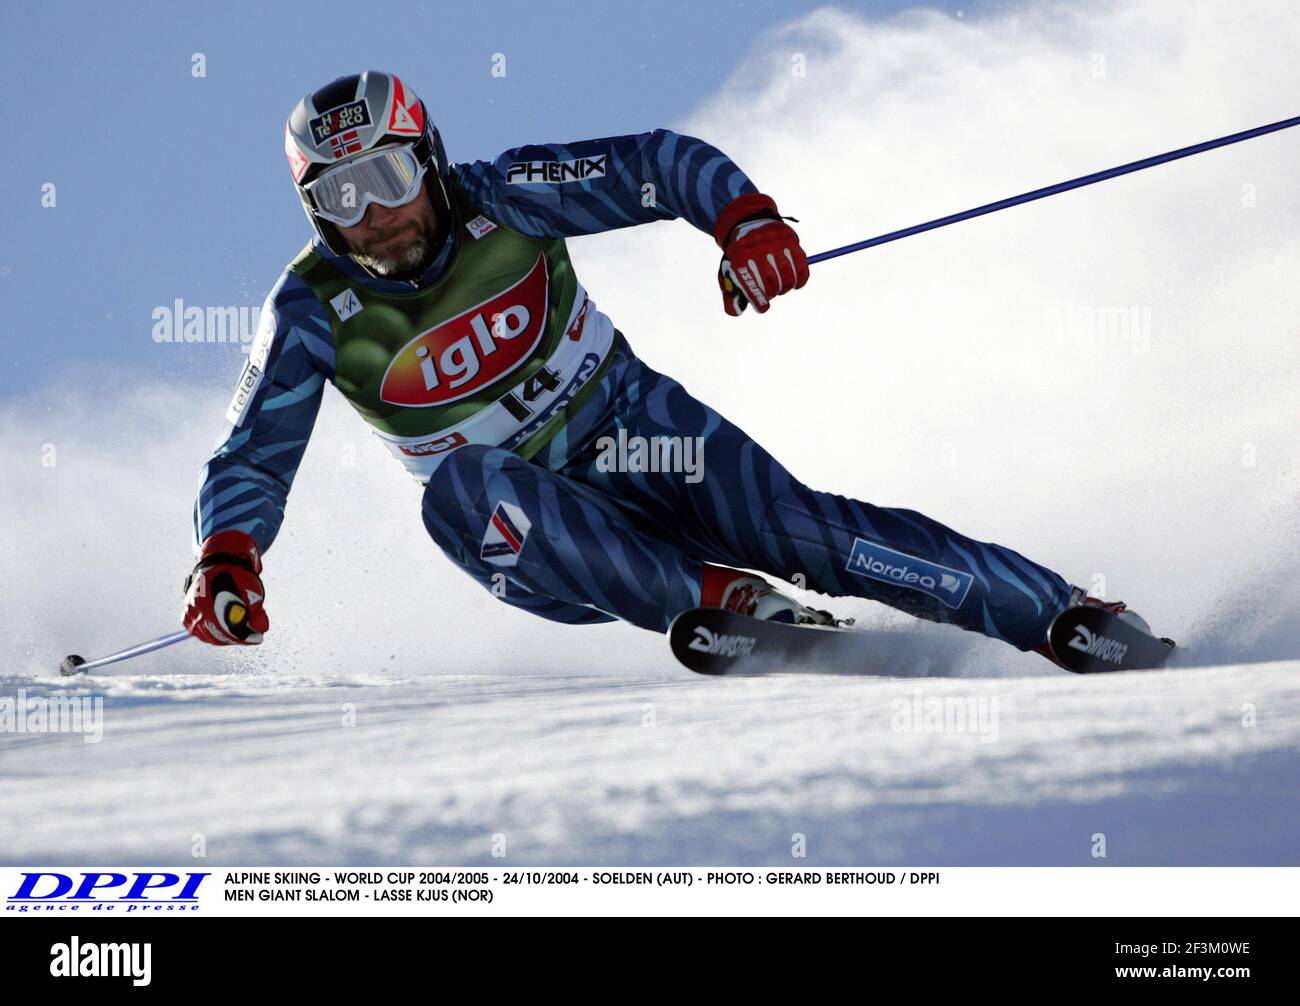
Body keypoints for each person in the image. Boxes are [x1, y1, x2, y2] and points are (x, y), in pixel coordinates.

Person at [182, 70, 1146, 665]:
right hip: (533, 536)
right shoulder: (310, 308)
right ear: (313, 210)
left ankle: (1062, 616)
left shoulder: (505, 196)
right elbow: (250, 454)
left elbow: (657, 161)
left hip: (641, 432)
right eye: (342, 195)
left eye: (388, 178)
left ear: (428, 161)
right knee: (460, 489)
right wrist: (227, 556)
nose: (374, 215)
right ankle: (723, 606)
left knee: (814, 534)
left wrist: (745, 223)